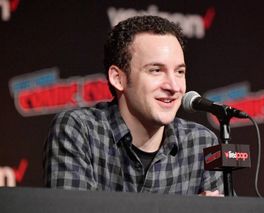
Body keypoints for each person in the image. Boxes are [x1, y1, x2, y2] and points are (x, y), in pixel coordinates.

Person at [44, 15, 223, 196]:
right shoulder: (79, 130)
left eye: (179, 71)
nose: (174, 87)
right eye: (156, 70)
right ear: (118, 78)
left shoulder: (202, 143)